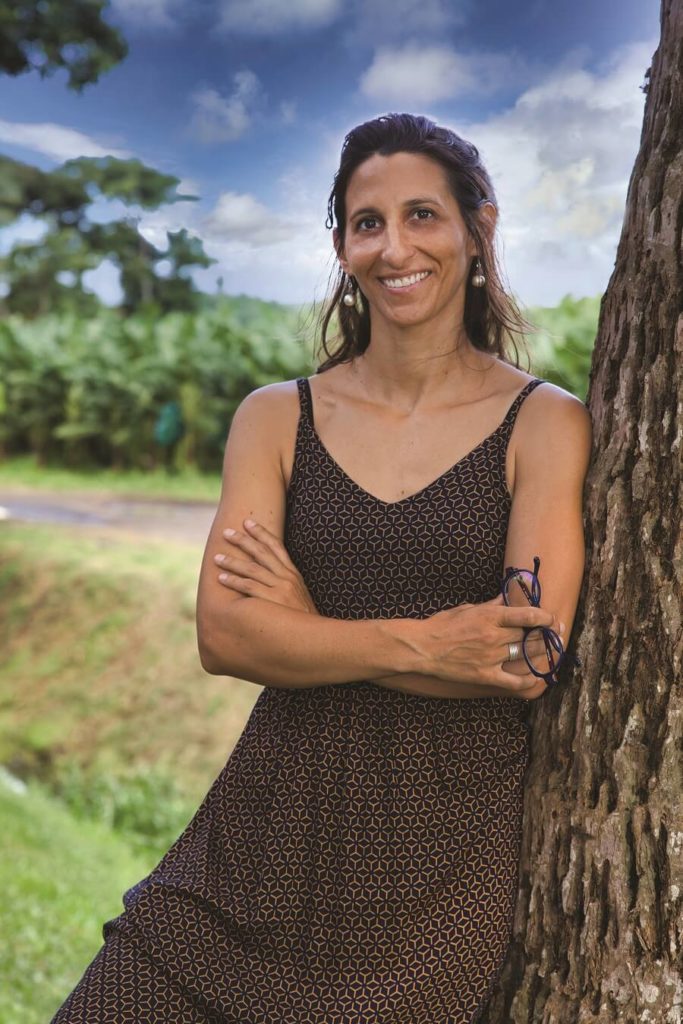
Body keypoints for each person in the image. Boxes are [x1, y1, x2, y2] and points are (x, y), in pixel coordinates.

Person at [50, 112, 592, 1023]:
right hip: (250, 845)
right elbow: (225, 635)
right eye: (365, 222)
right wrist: (425, 644)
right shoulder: (275, 418)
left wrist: (304, 628)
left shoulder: (542, 422)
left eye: (421, 215)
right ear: (340, 244)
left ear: (477, 228)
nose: (392, 247)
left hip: (433, 883)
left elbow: (523, 662)